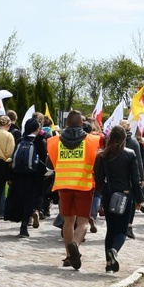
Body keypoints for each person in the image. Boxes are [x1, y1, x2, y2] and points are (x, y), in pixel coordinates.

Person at [46, 109, 101, 270]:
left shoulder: (55, 141)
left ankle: (69, 256)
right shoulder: (92, 140)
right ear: (81, 123)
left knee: (68, 221)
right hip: (84, 185)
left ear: (67, 123)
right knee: (83, 222)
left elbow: (50, 164)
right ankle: (75, 246)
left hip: (64, 185)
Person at [95, 124, 142, 272]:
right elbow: (135, 179)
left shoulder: (102, 156)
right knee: (122, 230)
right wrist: (139, 199)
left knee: (110, 229)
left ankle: (108, 263)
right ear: (124, 138)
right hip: (125, 195)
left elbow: (98, 179)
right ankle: (114, 250)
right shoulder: (130, 154)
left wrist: (102, 195)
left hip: (109, 194)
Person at [6, 118, 48, 237]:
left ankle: (21, 219)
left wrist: (11, 176)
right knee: (30, 200)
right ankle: (25, 225)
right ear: (36, 129)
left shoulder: (20, 140)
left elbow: (13, 158)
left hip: (19, 175)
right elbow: (43, 161)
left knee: (21, 199)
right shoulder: (40, 141)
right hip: (34, 177)